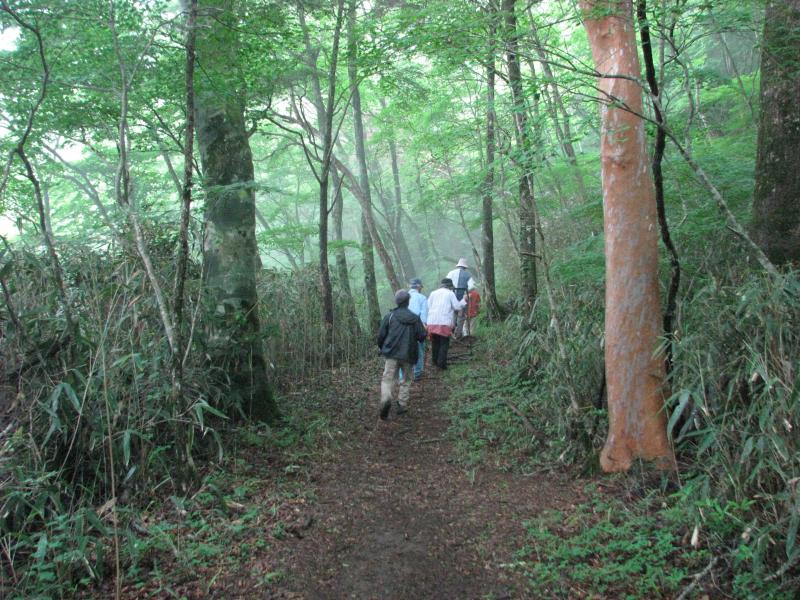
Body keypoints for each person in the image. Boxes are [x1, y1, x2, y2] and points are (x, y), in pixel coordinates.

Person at [377, 289, 427, 420]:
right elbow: (422, 336)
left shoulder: (390, 317)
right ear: (408, 302)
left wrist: (382, 348)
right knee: (406, 380)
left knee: (388, 379)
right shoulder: (415, 318)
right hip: (408, 355)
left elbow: (381, 335)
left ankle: (386, 399)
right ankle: (402, 404)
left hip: (391, 354)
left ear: (396, 301)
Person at [426, 278, 466, 369]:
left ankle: (435, 362)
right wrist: (464, 300)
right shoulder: (450, 293)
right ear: (450, 287)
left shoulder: (433, 293)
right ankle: (441, 364)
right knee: (444, 343)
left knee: (435, 342)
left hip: (432, 322)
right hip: (444, 322)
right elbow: (457, 307)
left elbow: (428, 306)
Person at [399, 278, 428, 382]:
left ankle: (402, 376)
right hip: (417, 326)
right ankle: (417, 373)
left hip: (403, 327)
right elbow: (424, 316)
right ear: (419, 286)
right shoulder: (422, 298)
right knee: (419, 349)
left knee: (403, 350)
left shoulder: (403, 296)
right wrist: (425, 327)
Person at [445, 258, 475, 339]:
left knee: (452, 315)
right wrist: (466, 292)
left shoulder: (450, 273)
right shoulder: (467, 275)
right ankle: (458, 335)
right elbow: (472, 287)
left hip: (451, 297)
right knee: (461, 317)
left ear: (458, 266)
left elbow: (445, 283)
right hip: (462, 299)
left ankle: (451, 334)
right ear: (465, 267)